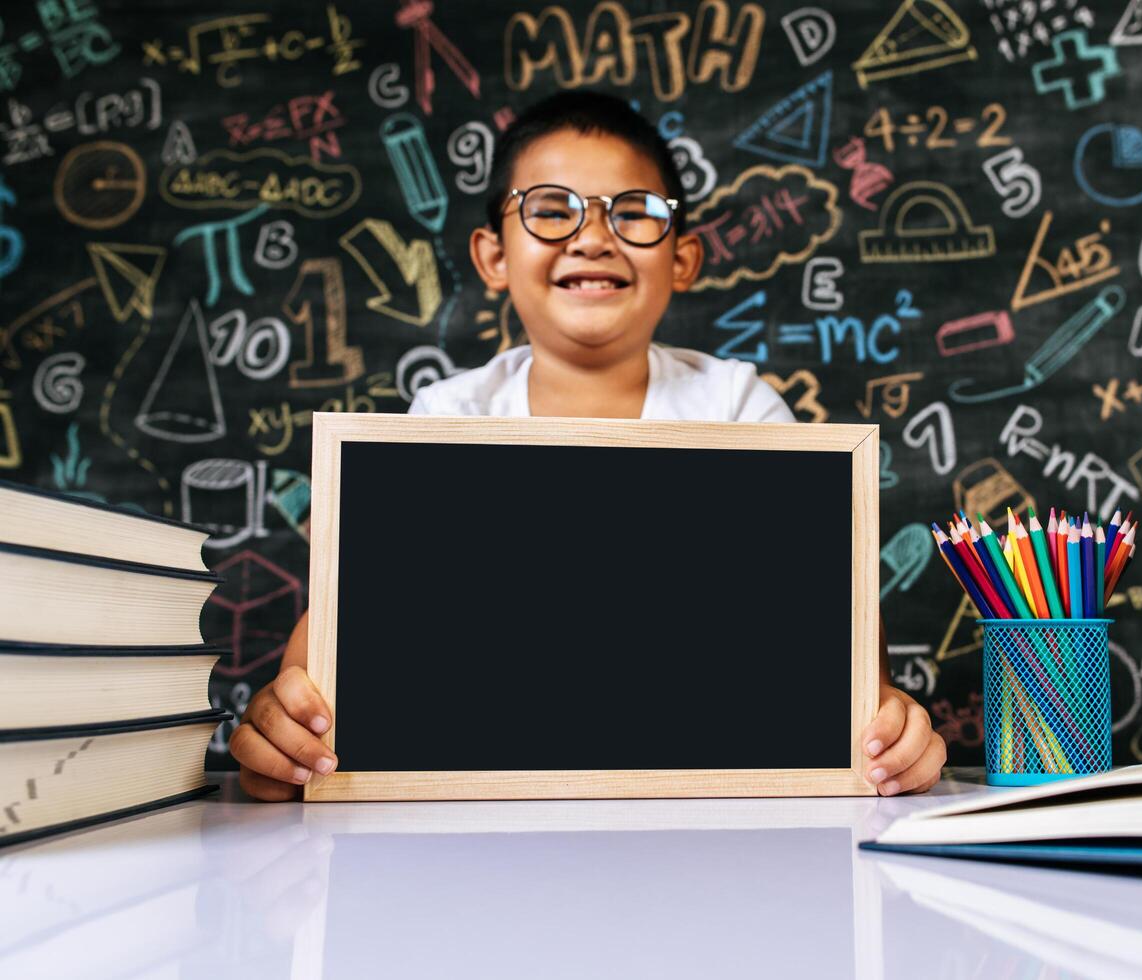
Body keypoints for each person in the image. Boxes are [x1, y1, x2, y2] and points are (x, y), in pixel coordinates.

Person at [230, 91, 947, 801]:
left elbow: (832, 629)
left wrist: (885, 727)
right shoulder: (448, 418)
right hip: (481, 825)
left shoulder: (736, 406)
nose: (592, 237)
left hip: (707, 820)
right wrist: (287, 725)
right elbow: (345, 625)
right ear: (492, 256)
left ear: (684, 257)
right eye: (549, 209)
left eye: (633, 213)